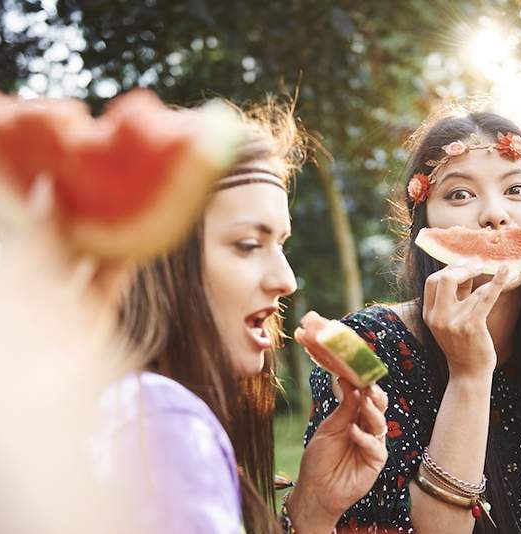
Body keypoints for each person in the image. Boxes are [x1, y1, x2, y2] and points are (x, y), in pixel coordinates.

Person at [304, 111, 521, 533]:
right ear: (423, 221)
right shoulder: (366, 346)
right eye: (460, 195)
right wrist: (468, 375)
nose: (494, 215)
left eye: (517, 188)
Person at [109, 101, 389, 534]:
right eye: (246, 244)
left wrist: (312, 509)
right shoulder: (161, 420)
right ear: (157, 260)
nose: (287, 280)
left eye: (281, 244)